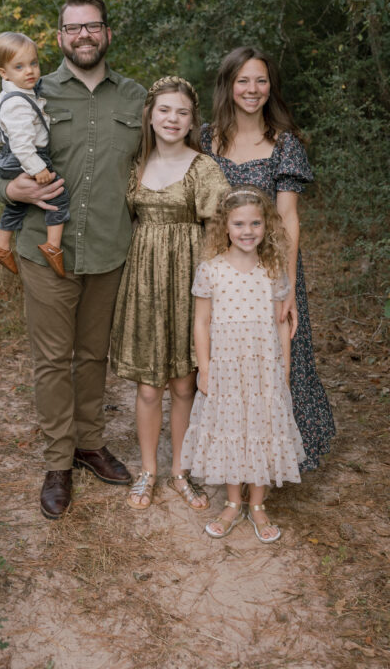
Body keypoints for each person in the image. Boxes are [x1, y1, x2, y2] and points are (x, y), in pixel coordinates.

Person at [0, 0, 146, 519]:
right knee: (53, 359)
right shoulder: (32, 89)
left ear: (107, 33)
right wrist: (12, 189)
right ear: (60, 37)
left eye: (93, 26)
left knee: (93, 355)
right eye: (73, 28)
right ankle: (58, 461)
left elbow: (163, 153)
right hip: (43, 246)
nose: (83, 35)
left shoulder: (135, 97)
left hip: (109, 247)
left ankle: (89, 444)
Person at [200, 47, 335, 471]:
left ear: (270, 86)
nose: (252, 89)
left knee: (277, 357)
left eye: (260, 80)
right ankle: (230, 457)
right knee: (227, 358)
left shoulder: (284, 144)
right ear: (228, 86)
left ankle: (276, 460)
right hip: (222, 273)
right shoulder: (205, 140)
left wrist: (287, 287)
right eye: (243, 80)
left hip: (270, 272)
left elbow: (289, 218)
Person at [110, 76, 229, 511]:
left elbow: (219, 228)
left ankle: (180, 470)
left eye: (182, 112)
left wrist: (214, 288)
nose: (173, 119)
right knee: (148, 387)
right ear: (150, 115)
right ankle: (148, 470)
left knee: (183, 384)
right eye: (164, 110)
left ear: (193, 121)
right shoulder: (135, 164)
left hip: (188, 280)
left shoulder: (203, 168)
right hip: (144, 281)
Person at [181, 185, 305, 543]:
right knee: (232, 429)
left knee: (262, 429)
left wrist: (284, 368)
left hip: (263, 367)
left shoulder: (273, 270)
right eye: (239, 224)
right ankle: (233, 503)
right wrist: (205, 368)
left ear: (266, 226)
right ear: (225, 226)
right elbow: (201, 322)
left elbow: (280, 323)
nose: (247, 231)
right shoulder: (211, 270)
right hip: (226, 367)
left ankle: (258, 504)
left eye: (255, 223)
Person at [0, 31, 70, 277]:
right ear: (4, 73)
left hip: (10, 157)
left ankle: (2, 246)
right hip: (28, 156)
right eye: (19, 67)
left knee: (18, 206)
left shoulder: (10, 96)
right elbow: (22, 144)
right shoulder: (17, 103)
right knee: (58, 196)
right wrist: (38, 168)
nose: (30, 71)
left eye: (33, 63)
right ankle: (52, 246)